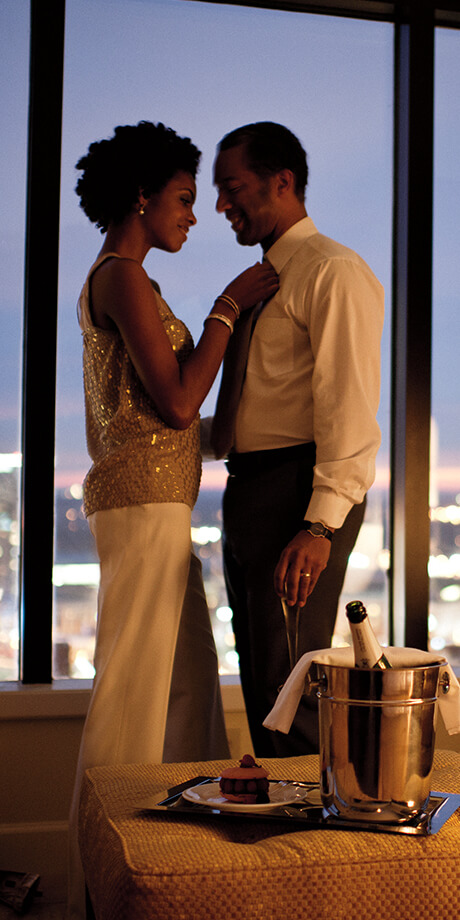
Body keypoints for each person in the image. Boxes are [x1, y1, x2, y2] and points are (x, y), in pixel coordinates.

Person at [67, 120, 278, 920]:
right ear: (142, 196)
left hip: (163, 511)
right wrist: (228, 306)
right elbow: (180, 399)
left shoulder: (137, 281)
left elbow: (197, 420)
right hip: (142, 508)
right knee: (132, 694)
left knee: (190, 691)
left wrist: (235, 333)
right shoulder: (120, 274)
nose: (194, 215)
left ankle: (178, 876)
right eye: (186, 199)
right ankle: (100, 885)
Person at [210, 121, 384, 758]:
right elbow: (257, 408)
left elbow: (350, 408)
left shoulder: (332, 270)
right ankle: (280, 845)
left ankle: (317, 848)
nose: (222, 205)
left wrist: (320, 526)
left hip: (297, 493)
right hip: (251, 489)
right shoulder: (262, 285)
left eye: (233, 188)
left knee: (294, 693)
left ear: (282, 182)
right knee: (263, 687)